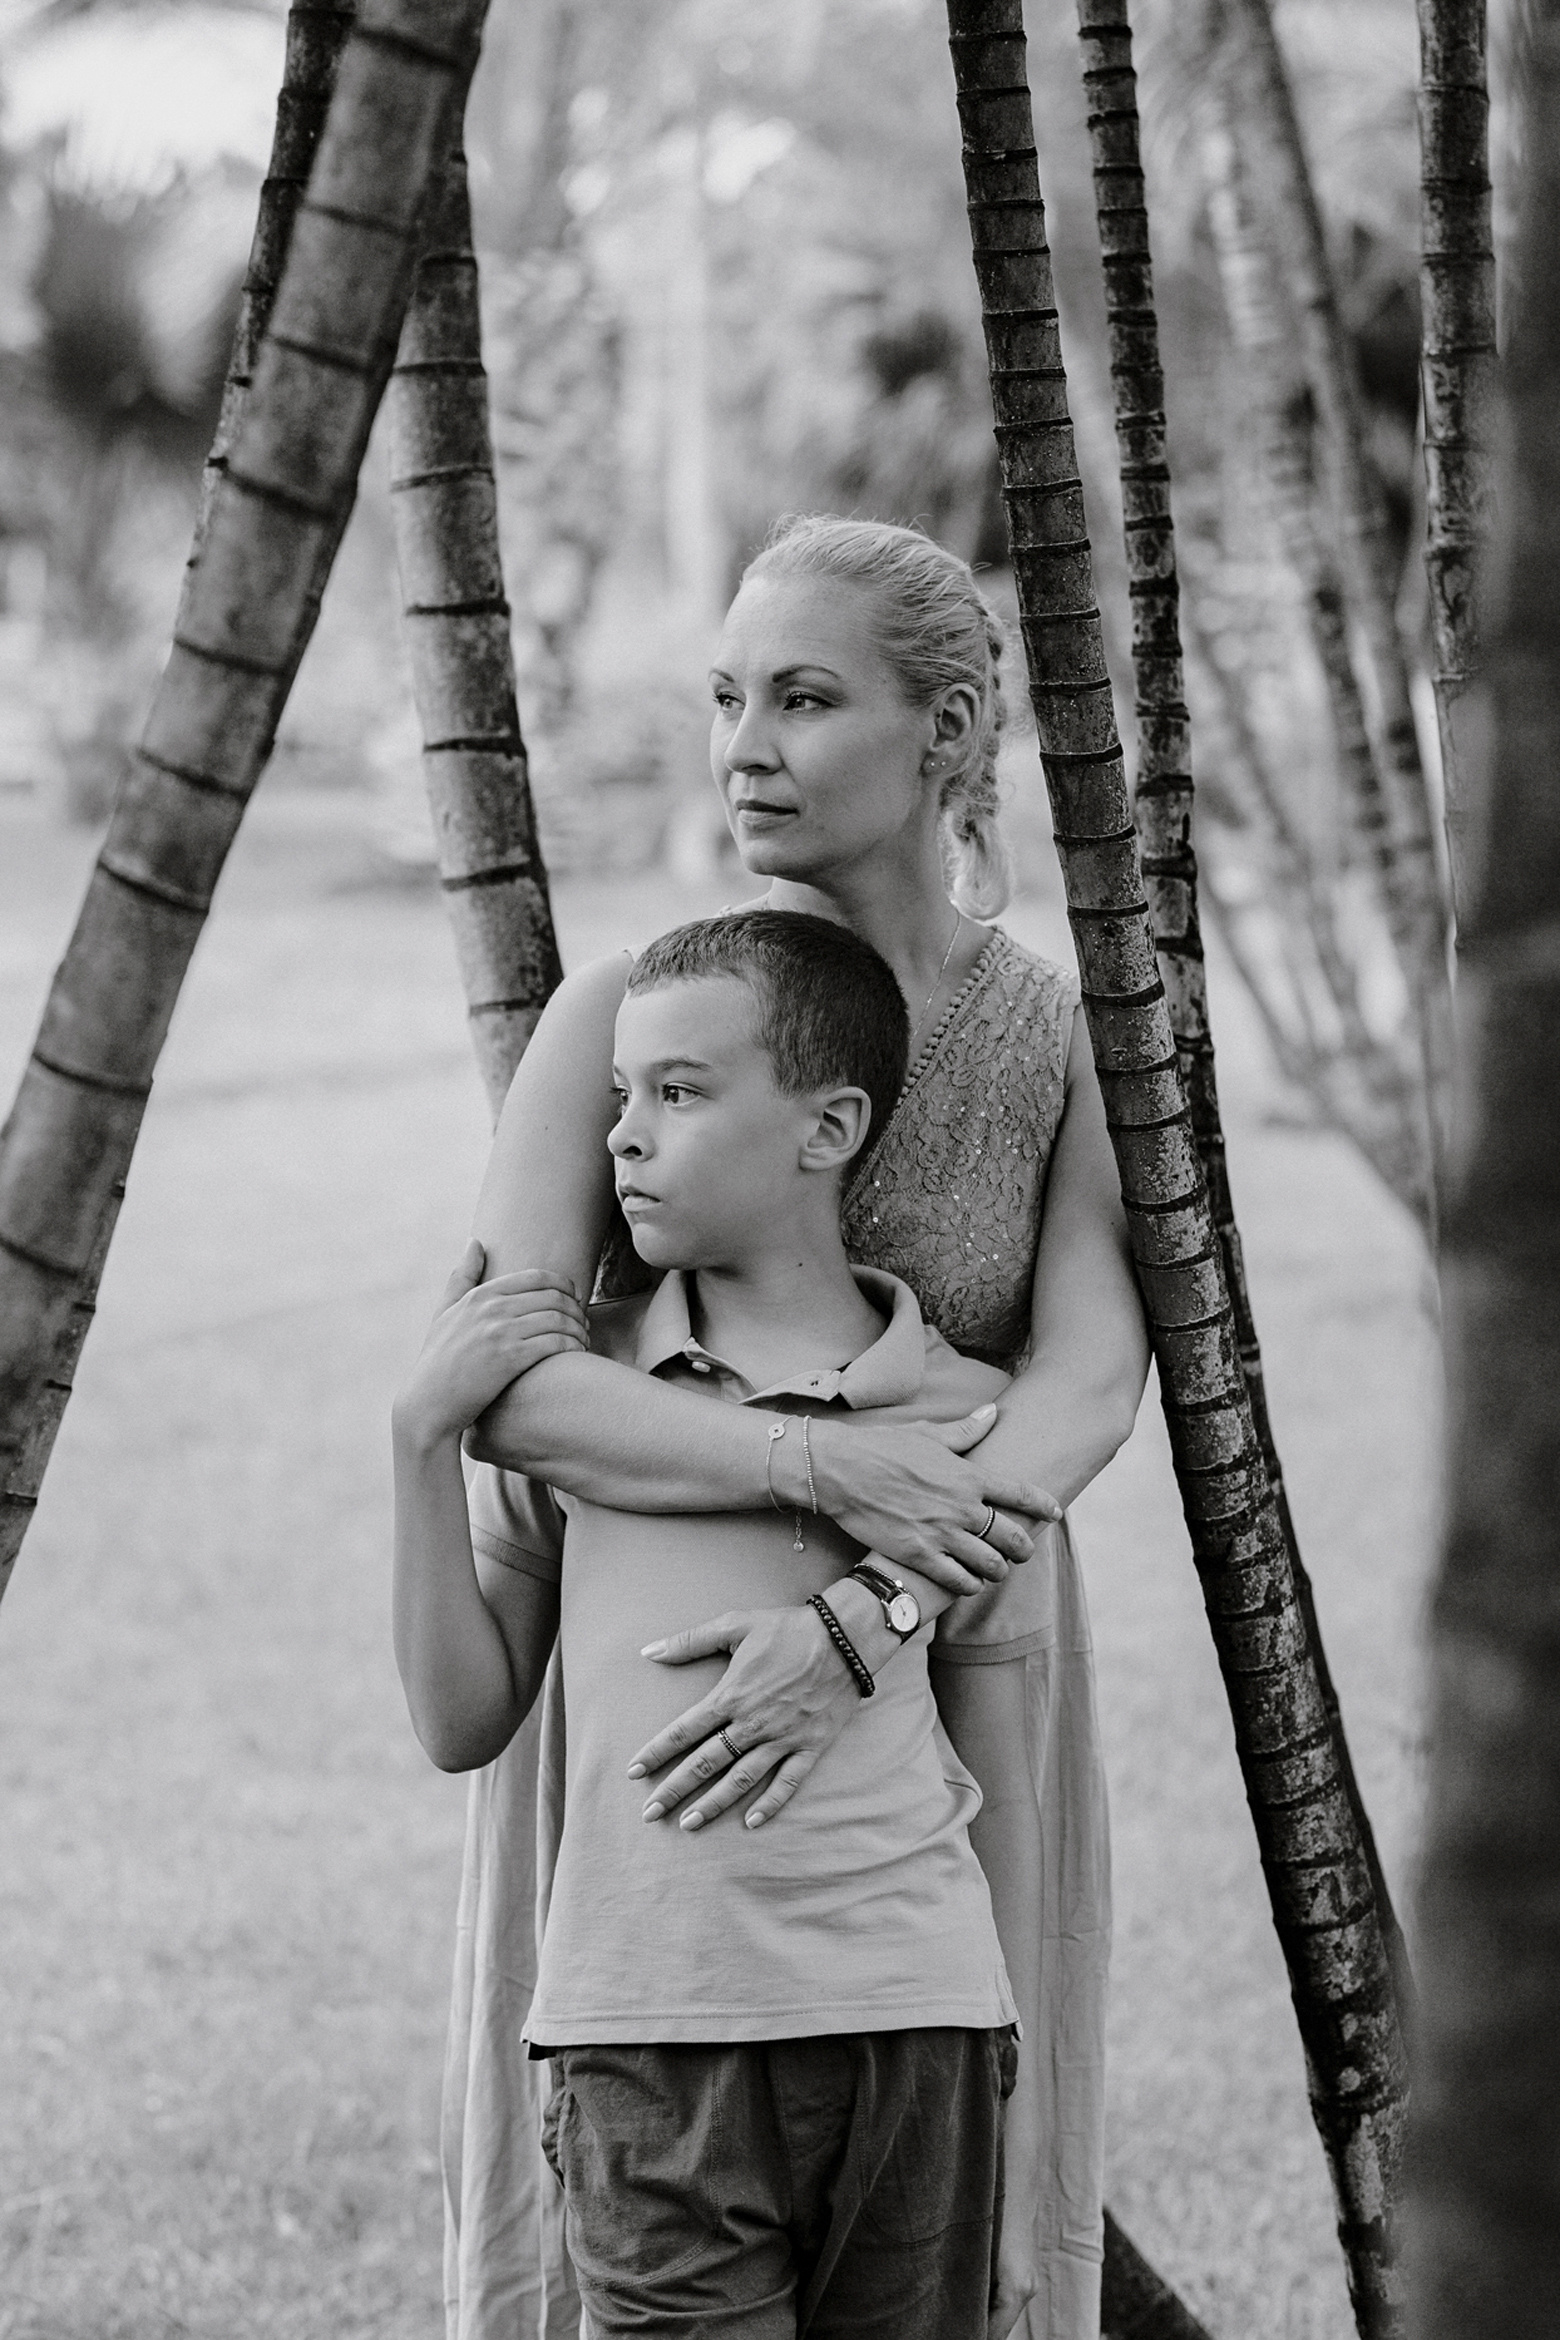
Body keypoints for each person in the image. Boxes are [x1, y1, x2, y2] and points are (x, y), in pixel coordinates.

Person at [442, 516, 1149, 2340]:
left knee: (953, 2185)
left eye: (806, 699)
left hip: (946, 1673)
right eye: (728, 697)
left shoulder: (1049, 1034)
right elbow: (512, 1376)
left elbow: (1084, 1378)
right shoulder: (640, 1011)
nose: (744, 744)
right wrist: (816, 1461)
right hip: (660, 1697)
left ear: (947, 727)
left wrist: (868, 1619)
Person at [396, 911, 1067, 2337]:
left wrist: (1026, 2135)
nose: (624, 1137)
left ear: (829, 1126)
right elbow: (460, 1723)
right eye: (622, 1094)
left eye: (680, 1094)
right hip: (647, 2038)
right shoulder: (573, 1414)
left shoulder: (962, 1421)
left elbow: (1003, 1786)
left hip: (921, 2027)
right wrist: (416, 1445)